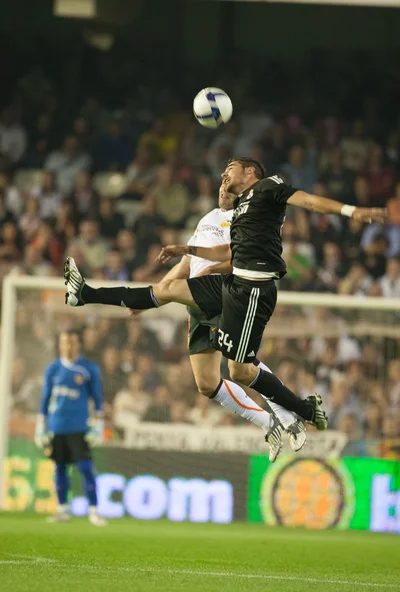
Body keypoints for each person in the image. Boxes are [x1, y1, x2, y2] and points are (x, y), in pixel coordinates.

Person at [64, 157, 386, 439]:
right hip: (230, 287)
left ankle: (301, 409)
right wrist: (185, 250)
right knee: (168, 292)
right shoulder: (240, 210)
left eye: (228, 170)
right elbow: (226, 250)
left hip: (252, 291)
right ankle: (84, 293)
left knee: (240, 372)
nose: (223, 177)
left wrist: (352, 211)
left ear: (249, 171)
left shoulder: (269, 187)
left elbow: (309, 201)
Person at [129, 184, 307, 461]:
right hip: (196, 302)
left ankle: (288, 417)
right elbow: (186, 264)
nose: (224, 188)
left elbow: (244, 260)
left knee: (241, 366)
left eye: (230, 185)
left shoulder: (247, 220)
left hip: (223, 296)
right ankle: (268, 423)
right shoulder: (207, 218)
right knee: (206, 383)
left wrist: (215, 269)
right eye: (223, 184)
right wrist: (154, 294)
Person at [34, 330, 107, 526]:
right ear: (60, 344)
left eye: (72, 343)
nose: (68, 346)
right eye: (65, 342)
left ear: (78, 345)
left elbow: (98, 400)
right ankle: (62, 510)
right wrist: (40, 427)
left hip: (79, 427)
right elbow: (45, 399)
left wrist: (98, 426)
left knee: (85, 468)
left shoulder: (88, 369)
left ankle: (94, 511)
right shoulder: (53, 369)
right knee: (60, 469)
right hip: (57, 427)